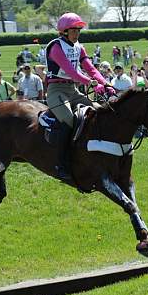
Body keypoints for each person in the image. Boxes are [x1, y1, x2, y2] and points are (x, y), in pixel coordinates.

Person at [45, 12, 115, 180]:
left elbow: (91, 69)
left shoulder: (79, 47)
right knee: (70, 120)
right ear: (64, 31)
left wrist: (105, 83)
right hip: (56, 90)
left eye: (78, 30)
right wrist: (90, 83)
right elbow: (71, 71)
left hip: (73, 90)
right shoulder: (56, 47)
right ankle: (61, 164)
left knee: (98, 111)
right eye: (73, 30)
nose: (77, 33)